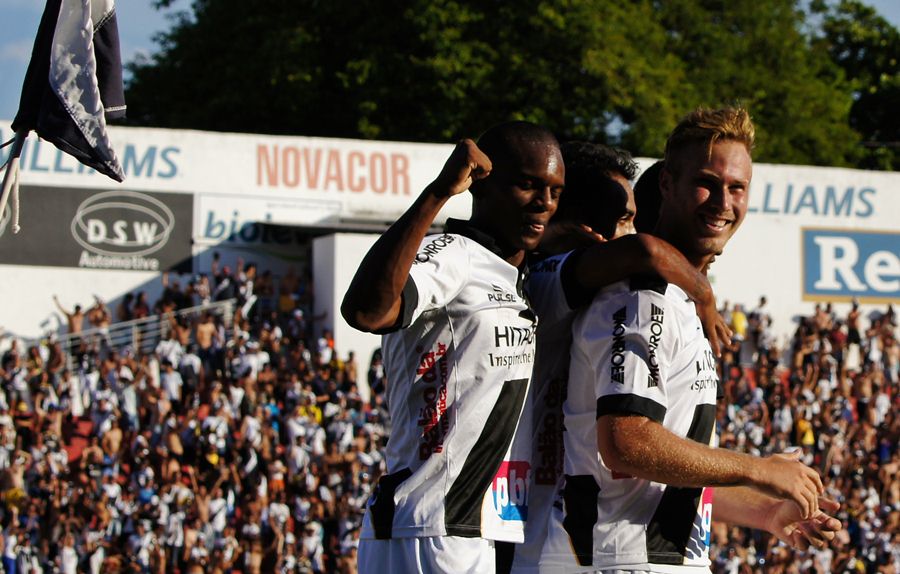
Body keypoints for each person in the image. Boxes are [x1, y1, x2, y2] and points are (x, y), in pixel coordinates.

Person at [539, 107, 841, 572]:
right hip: (621, 560)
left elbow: (654, 478)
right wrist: (757, 469)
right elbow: (627, 444)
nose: (723, 202)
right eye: (707, 183)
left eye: (737, 188)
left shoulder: (680, 301)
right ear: (667, 184)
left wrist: (765, 510)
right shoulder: (643, 297)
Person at [342, 121, 566, 573]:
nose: (543, 202)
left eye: (555, 192)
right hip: (429, 530)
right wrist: (438, 192)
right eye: (527, 185)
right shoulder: (454, 254)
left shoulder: (519, 276)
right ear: (481, 184)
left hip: (466, 530)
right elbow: (368, 311)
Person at [510, 142, 728, 574]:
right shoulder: (552, 278)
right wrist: (703, 292)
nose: (634, 228)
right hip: (532, 536)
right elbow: (644, 250)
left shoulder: (583, 289)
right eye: (626, 218)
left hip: (548, 534)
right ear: (588, 231)